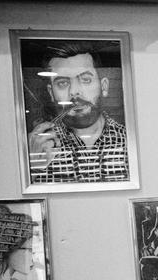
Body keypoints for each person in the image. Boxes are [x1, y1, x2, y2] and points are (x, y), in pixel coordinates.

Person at [28, 43, 129, 183]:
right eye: (63, 83)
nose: (74, 91)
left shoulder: (129, 141)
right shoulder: (39, 146)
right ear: (51, 93)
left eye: (86, 80)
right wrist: (32, 168)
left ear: (104, 87)